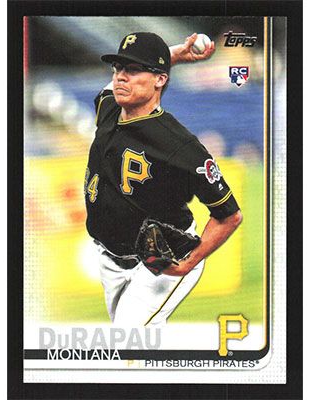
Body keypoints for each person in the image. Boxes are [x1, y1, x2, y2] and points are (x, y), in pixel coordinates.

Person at [84, 32, 242, 326]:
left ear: (160, 79)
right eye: (118, 68)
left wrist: (188, 263)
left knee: (126, 342)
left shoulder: (179, 145)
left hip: (162, 261)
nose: (120, 77)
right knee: (134, 346)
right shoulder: (109, 109)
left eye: (133, 70)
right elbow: (117, 85)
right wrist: (177, 54)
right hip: (109, 261)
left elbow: (229, 215)